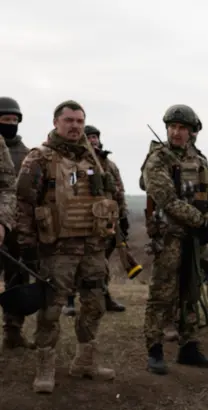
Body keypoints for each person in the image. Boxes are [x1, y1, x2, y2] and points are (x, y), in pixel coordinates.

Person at [16, 100, 118, 393]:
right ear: (56, 122)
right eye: (69, 120)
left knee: (95, 305)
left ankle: (85, 361)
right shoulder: (39, 159)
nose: (75, 126)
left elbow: (110, 198)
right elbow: (23, 203)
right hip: (57, 249)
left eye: (80, 121)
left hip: (92, 247)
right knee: (51, 310)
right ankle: (45, 367)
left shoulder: (94, 160)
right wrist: (27, 245)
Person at [141, 104, 208, 375]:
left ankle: (189, 346)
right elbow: (167, 199)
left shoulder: (199, 160)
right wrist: (201, 221)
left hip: (194, 238)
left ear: (191, 131)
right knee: (162, 294)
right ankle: (155, 348)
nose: (176, 132)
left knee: (191, 291)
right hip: (170, 236)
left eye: (182, 128)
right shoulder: (158, 159)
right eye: (172, 127)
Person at [63, 124, 127, 316]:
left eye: (95, 137)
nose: (93, 140)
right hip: (81, 221)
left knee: (101, 264)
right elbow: (69, 189)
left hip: (106, 221)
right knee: (74, 263)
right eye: (89, 137)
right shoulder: (73, 163)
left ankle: (104, 296)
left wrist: (122, 217)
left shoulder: (110, 165)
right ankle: (69, 300)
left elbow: (119, 191)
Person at [0, 96, 32, 350]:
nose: (10, 124)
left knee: (18, 280)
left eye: (14, 120)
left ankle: (13, 330)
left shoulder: (27, 154)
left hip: (18, 230)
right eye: (5, 120)